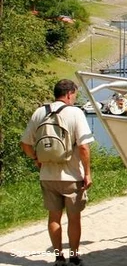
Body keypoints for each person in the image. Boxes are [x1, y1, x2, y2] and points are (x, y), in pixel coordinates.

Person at [20, 79, 94, 265]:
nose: (74, 98)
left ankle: (59, 258)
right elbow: (83, 147)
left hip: (47, 175)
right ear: (69, 94)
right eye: (74, 95)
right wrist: (87, 173)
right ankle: (74, 257)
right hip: (72, 176)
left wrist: (36, 159)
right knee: (74, 219)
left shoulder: (40, 112)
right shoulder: (75, 113)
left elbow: (25, 144)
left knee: (54, 218)